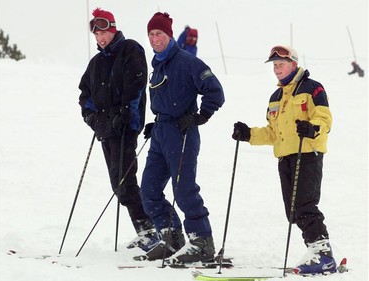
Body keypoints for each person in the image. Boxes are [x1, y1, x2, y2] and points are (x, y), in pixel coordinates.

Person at [232, 46, 337, 275]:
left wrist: (312, 128)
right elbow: (272, 132)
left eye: (281, 64)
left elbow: (324, 119)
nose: (277, 69)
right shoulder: (276, 97)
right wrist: (248, 134)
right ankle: (315, 251)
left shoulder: (312, 88)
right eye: (275, 65)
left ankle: (323, 254)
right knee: (293, 210)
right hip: (285, 156)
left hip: (307, 153)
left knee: (305, 204)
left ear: (293, 64)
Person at [138, 12, 225, 263]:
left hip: (182, 131)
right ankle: (171, 237)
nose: (155, 39)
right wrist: (156, 124)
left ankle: (201, 241)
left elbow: (215, 91)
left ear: (170, 35)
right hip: (161, 132)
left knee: (184, 189)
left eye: (159, 34)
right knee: (149, 189)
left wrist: (201, 116)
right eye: (152, 34)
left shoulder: (187, 62)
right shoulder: (157, 65)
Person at [78, 8, 159, 252]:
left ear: (113, 29)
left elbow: (136, 83)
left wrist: (125, 113)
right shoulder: (96, 63)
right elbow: (85, 94)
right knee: (118, 183)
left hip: (125, 126)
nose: (101, 38)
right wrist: (91, 117)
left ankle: (151, 230)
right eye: (97, 34)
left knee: (125, 181)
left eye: (104, 32)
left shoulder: (130, 49)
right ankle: (146, 229)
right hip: (105, 128)